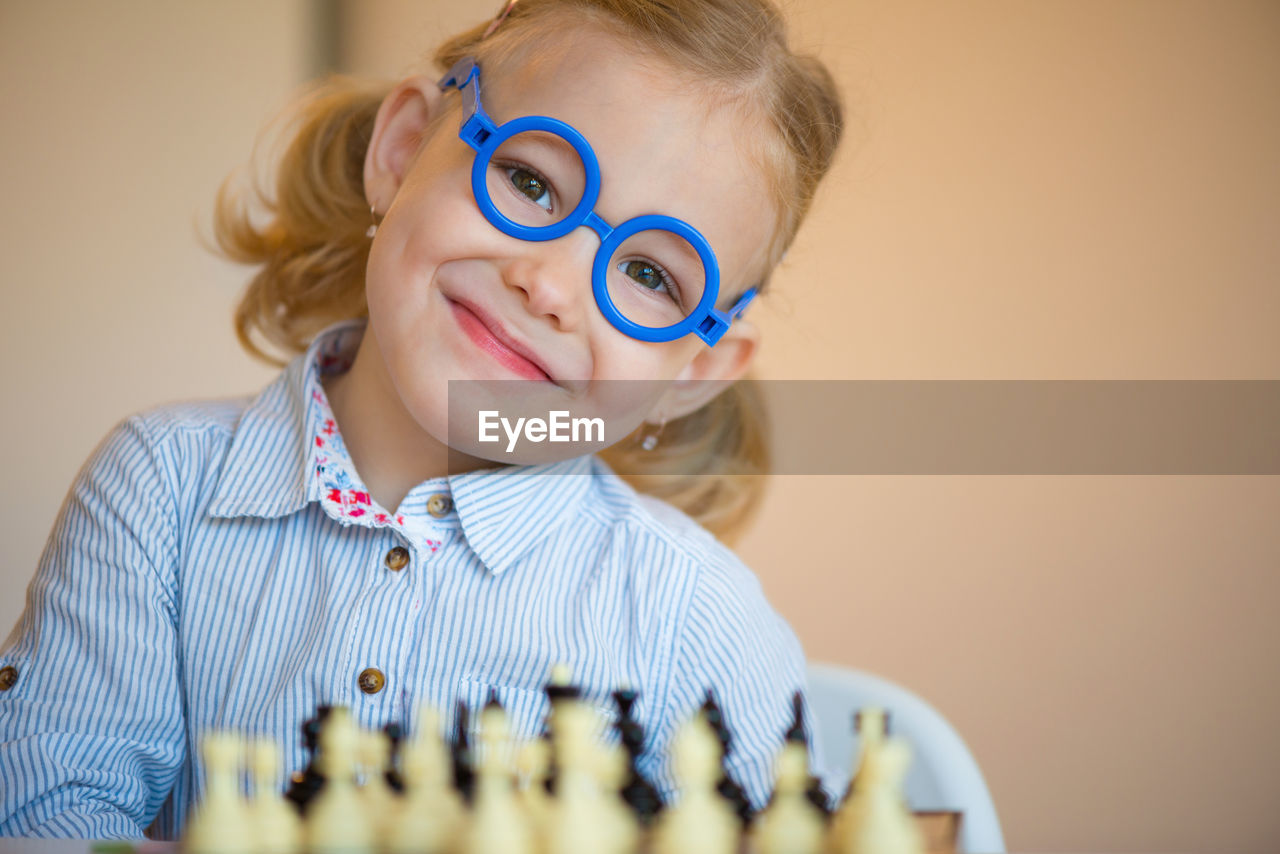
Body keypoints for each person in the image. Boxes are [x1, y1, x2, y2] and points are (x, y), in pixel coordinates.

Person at [0, 0, 843, 838]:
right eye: (532, 181)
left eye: (651, 277)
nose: (548, 289)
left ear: (692, 370)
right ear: (403, 150)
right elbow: (46, 814)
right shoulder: (161, 489)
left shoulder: (697, 618)